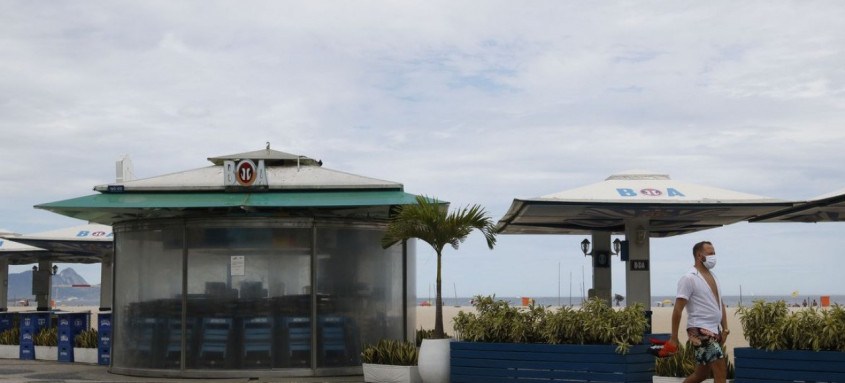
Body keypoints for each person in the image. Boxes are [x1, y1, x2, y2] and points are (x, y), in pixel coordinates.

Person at [669, 241, 729, 383]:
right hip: (700, 330)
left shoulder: (713, 276)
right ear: (699, 255)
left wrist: (725, 329)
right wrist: (674, 337)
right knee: (721, 372)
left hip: (714, 329)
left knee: (700, 375)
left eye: (714, 253)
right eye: (710, 253)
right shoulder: (689, 278)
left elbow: (720, 304)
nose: (713, 256)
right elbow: (678, 309)